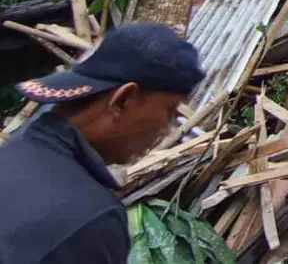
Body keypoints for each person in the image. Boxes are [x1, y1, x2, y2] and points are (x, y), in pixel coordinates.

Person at [0, 23, 205, 264]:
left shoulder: (13, 153)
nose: (167, 129)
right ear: (123, 101)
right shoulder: (91, 221)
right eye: (169, 110)